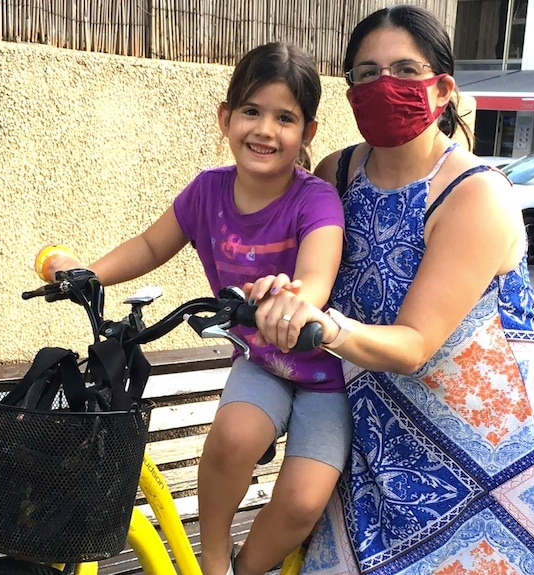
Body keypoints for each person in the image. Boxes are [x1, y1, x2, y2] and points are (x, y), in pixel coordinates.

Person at [249, 6, 534, 575]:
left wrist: (327, 326)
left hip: (491, 459)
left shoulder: (475, 193)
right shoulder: (337, 174)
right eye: (366, 73)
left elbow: (415, 344)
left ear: (443, 90)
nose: (384, 85)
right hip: (376, 446)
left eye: (405, 71)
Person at [40, 42, 351, 575]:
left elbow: (317, 276)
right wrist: (89, 273)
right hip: (261, 363)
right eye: (251, 111)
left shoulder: (314, 198)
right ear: (226, 117)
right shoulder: (208, 191)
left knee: (302, 501)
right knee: (233, 436)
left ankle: (247, 568)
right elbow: (150, 245)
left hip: (326, 372)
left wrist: (297, 300)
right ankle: (211, 561)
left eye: (284, 118)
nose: (264, 130)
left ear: (308, 133)